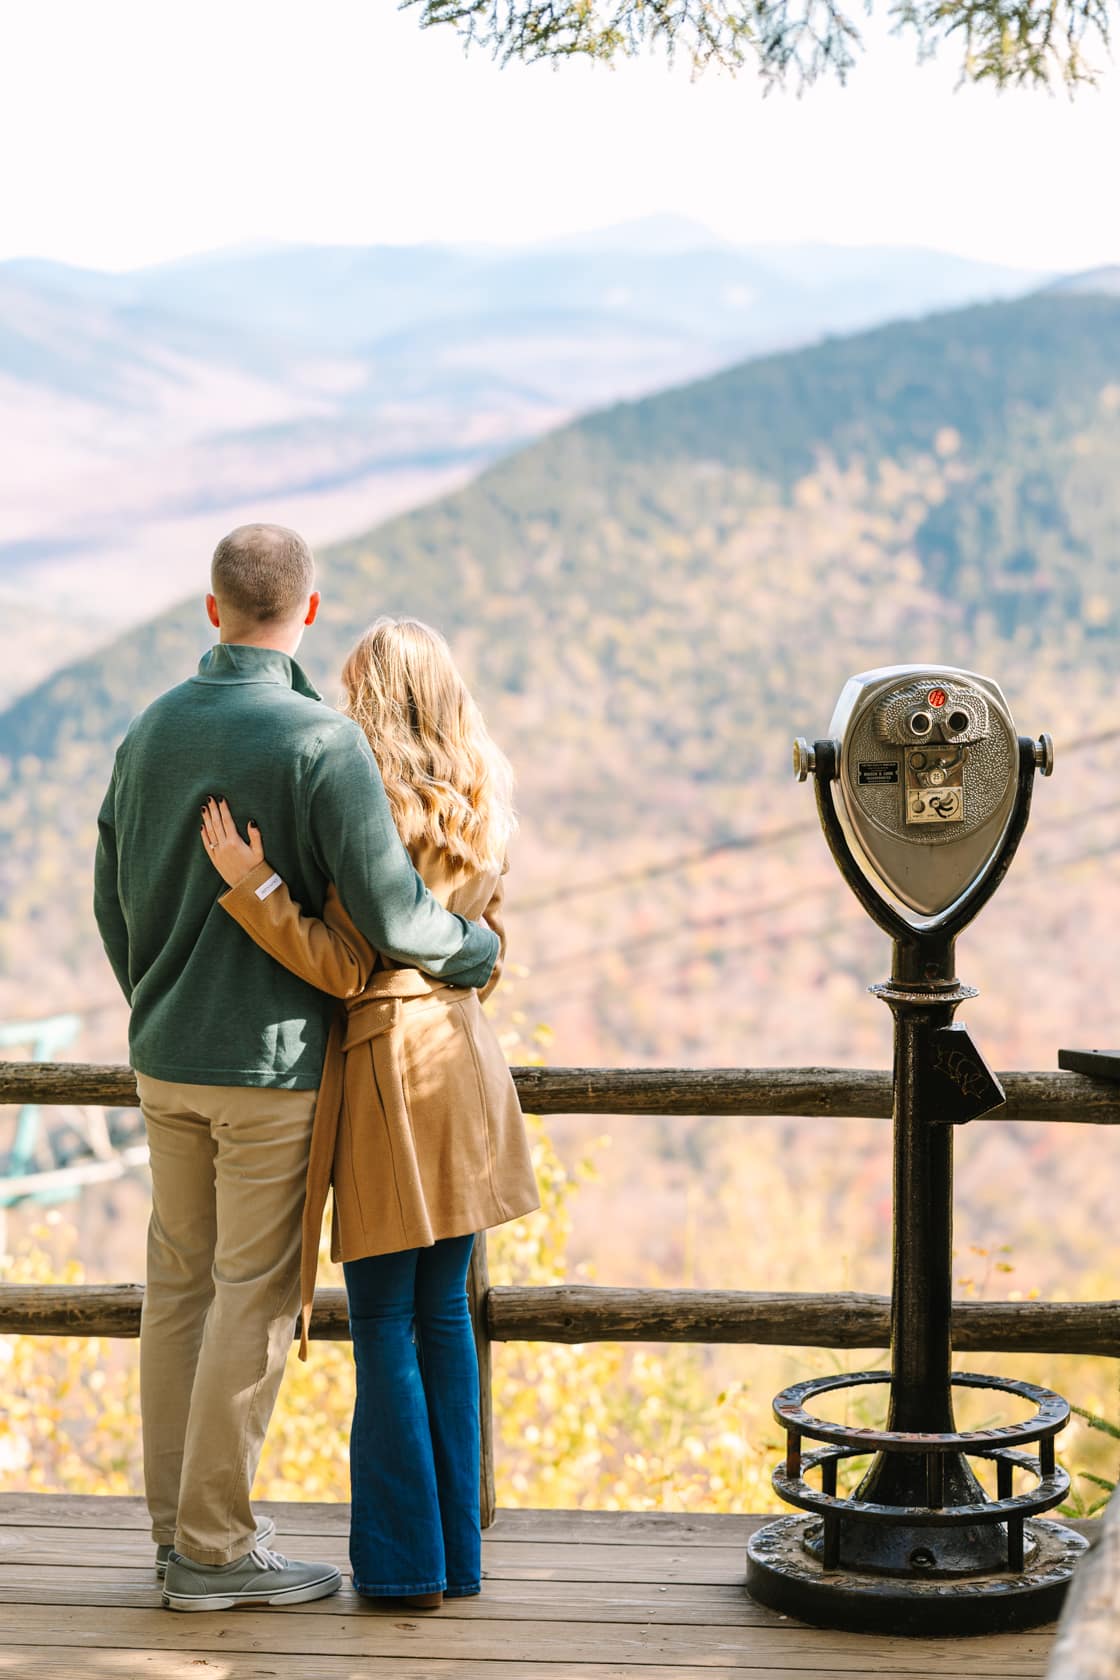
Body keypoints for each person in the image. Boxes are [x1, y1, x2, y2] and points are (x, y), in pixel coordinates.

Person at [94, 527, 499, 1614]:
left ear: (211, 608)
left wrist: (157, 996)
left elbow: (109, 900)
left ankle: (176, 1535)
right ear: (307, 613)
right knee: (255, 1305)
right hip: (267, 1070)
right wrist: (480, 949)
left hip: (165, 1059)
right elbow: (396, 917)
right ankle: (216, 1554)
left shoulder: (149, 734)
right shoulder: (320, 743)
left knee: (175, 1296)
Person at [198, 615, 539, 1609]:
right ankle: (454, 1563)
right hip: (468, 1063)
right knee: (441, 1313)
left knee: (386, 1319)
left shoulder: (366, 806)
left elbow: (347, 964)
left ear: (371, 702)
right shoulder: (484, 802)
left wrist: (256, 885)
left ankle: (400, 1570)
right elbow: (484, 943)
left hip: (392, 1070)